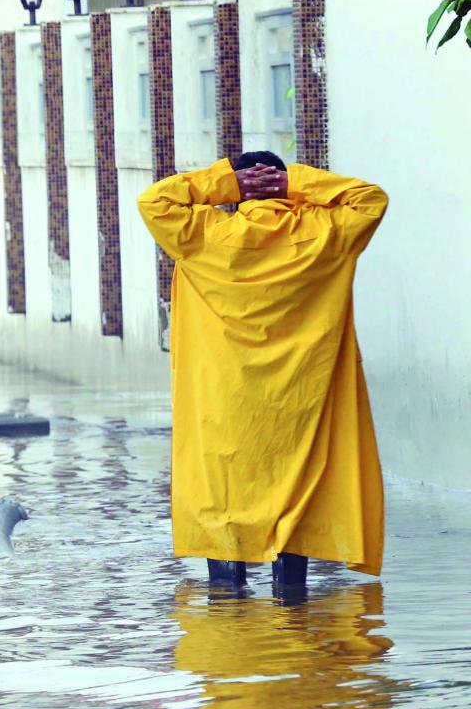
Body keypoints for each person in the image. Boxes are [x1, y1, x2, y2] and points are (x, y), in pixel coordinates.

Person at [138, 152, 389, 590]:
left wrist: (224, 183)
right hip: (301, 402)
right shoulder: (323, 235)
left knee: (223, 496)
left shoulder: (202, 237)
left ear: (236, 196)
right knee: (296, 495)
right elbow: (369, 199)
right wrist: (295, 181)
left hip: (223, 404)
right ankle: (290, 605)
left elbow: (155, 202)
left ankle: (230, 621)